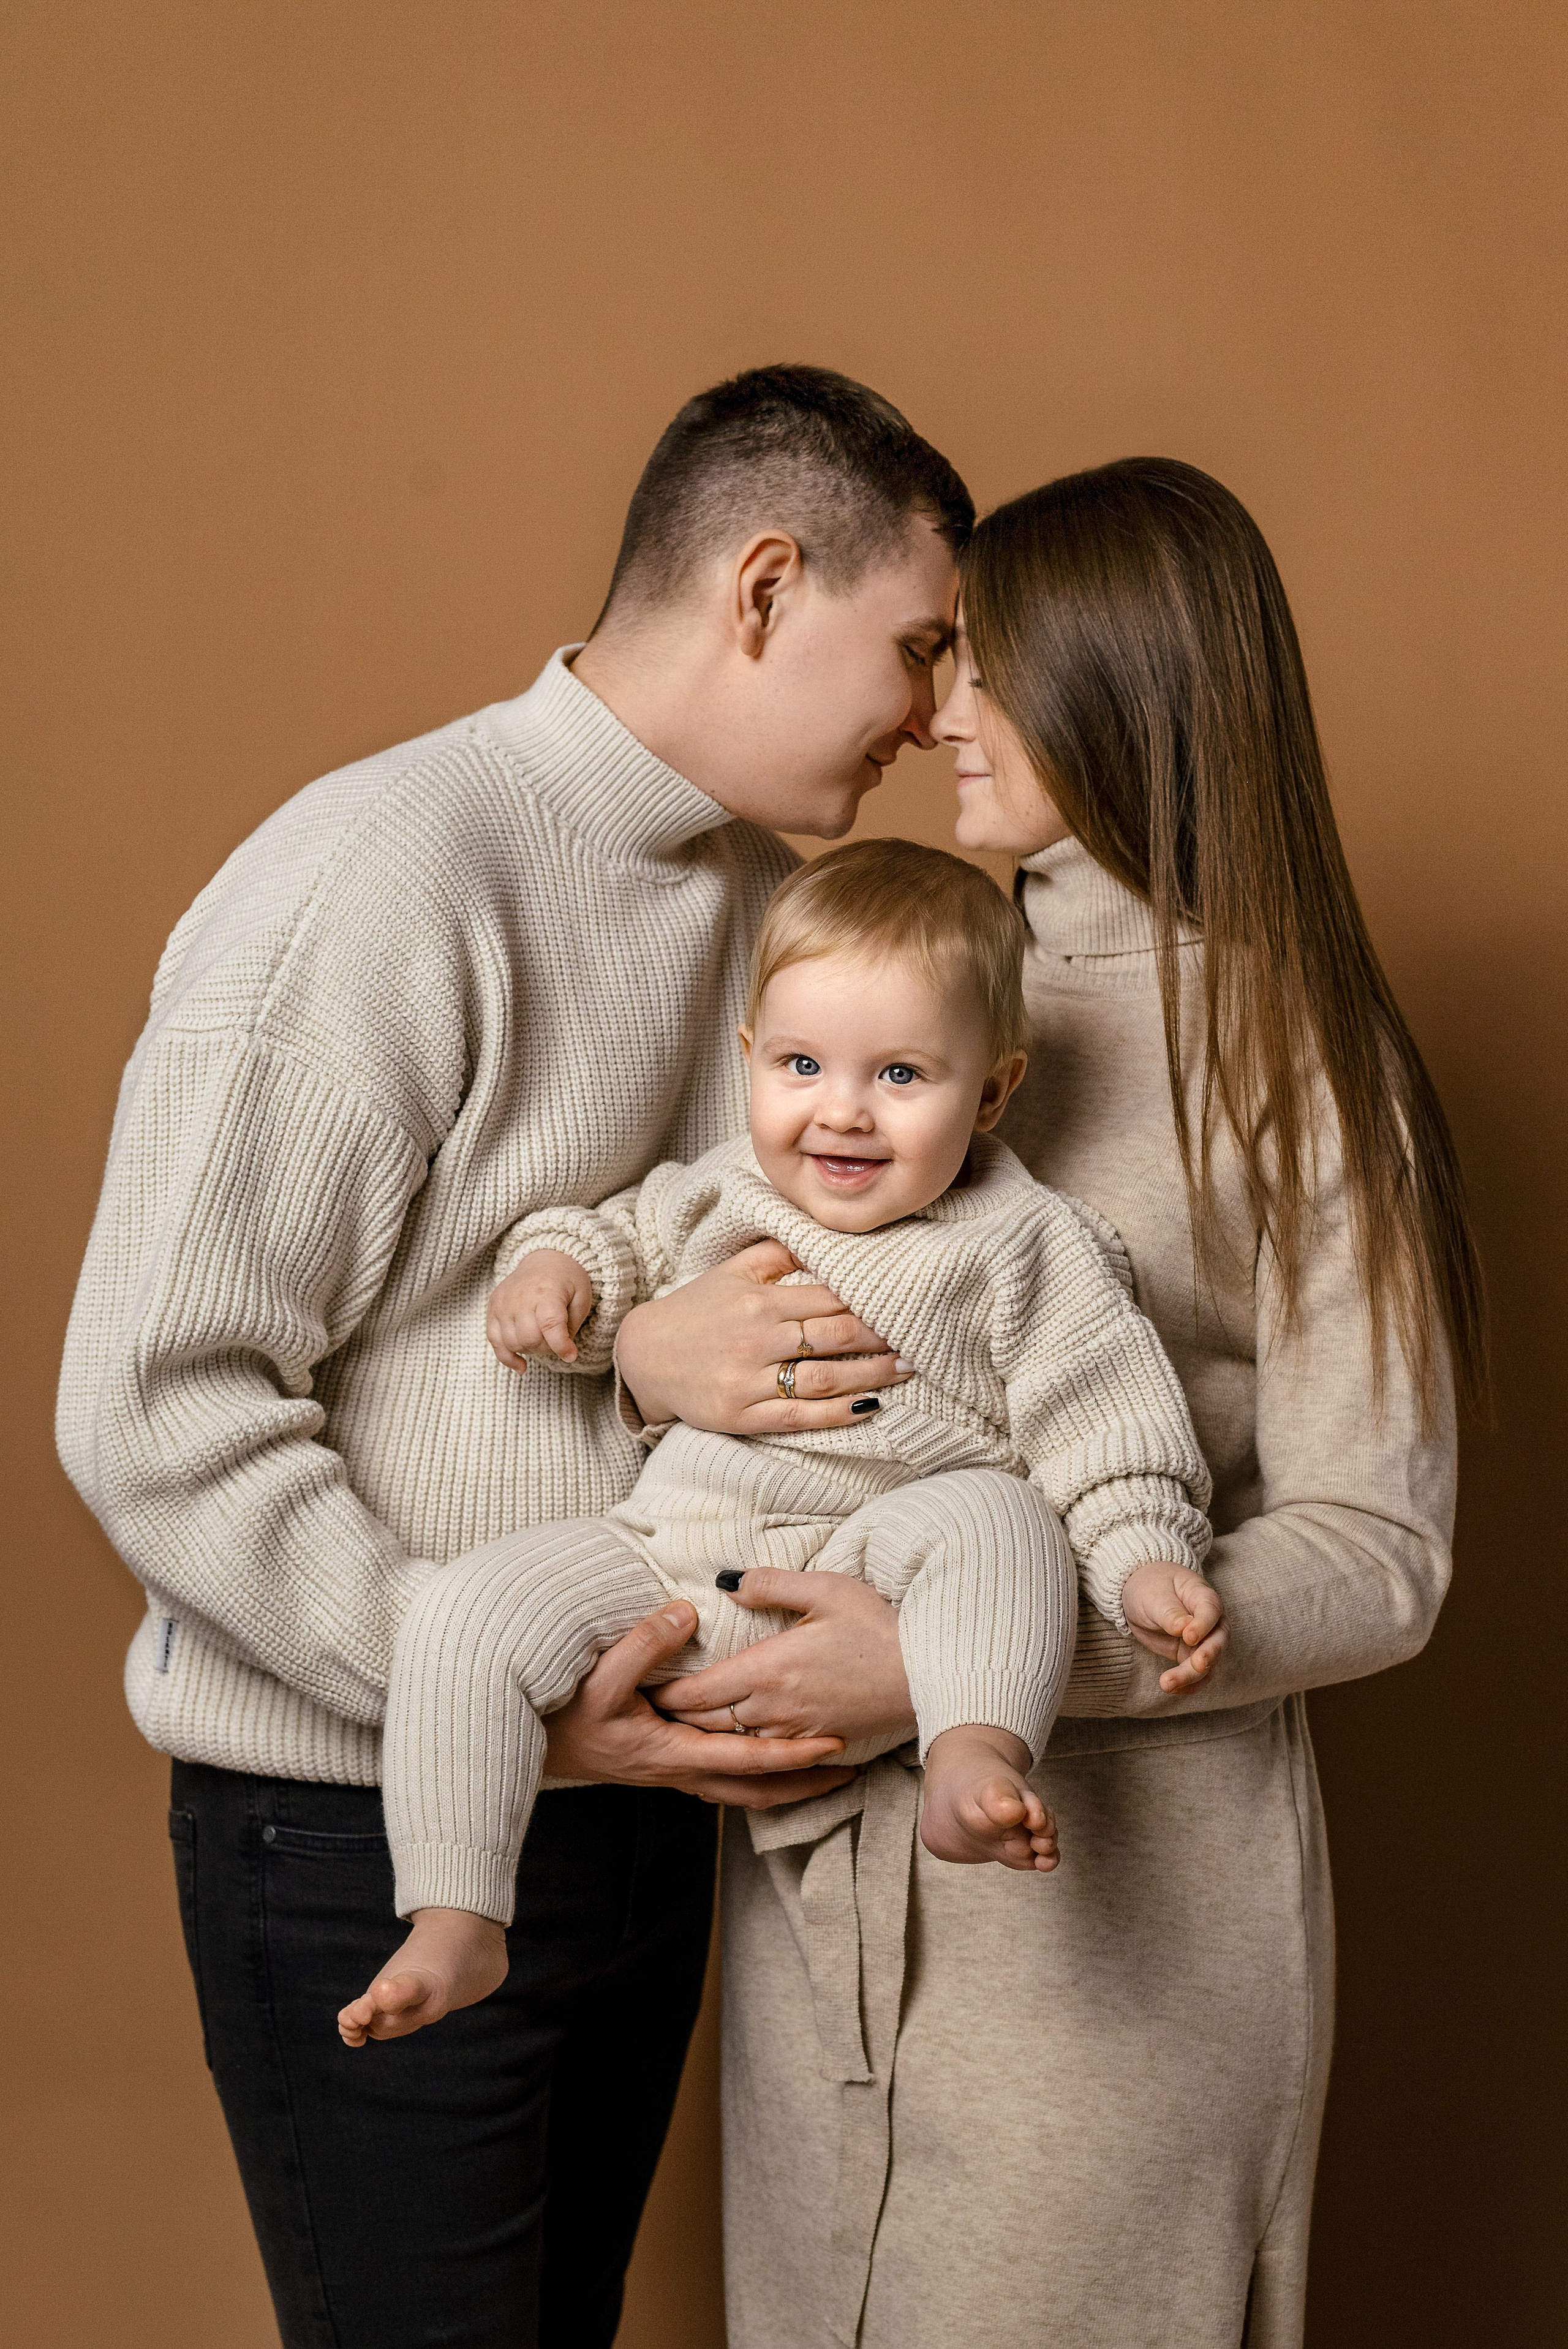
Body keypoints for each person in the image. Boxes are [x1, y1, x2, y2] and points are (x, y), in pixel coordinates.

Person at [55, 364, 1034, 2349]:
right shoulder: (380, 875)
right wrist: (485, 1703)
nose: (944, 713)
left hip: (644, 1809)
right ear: (764, 588)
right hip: (357, 1813)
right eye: (922, 645)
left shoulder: (784, 914)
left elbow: (756, 1321)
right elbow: (152, 1403)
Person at [675, 459, 1482, 2348]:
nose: (936, 709)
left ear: (1129, 684)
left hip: (1127, 1930)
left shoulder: (1294, 1048)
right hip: (827, 1900)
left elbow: (1381, 1549)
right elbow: (699, 1256)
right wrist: (646, 1348)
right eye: (944, 659)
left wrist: (968, 1659)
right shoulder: (885, 977)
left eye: (989, 668)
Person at [336, 839, 1222, 2048]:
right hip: (672, 1557)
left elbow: (1104, 1424)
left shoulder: (1020, 1240)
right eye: (801, 1064)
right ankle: (455, 1911)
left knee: (1002, 1518)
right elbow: (614, 1240)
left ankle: (972, 1750)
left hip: (884, 1551)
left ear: (992, 1092)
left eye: (902, 1074)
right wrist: (555, 1275)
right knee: (459, 1613)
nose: (841, 1109)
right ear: (749, 1061)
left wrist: (1141, 1559)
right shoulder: (716, 1191)